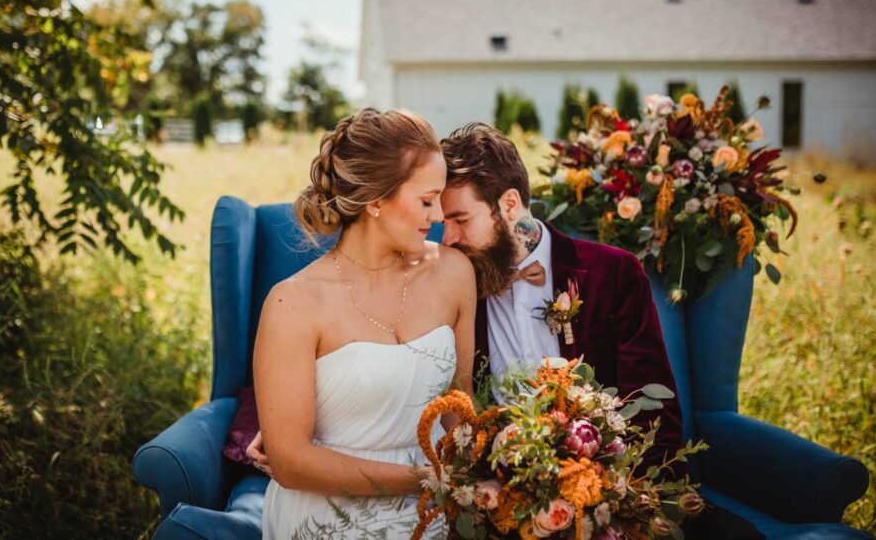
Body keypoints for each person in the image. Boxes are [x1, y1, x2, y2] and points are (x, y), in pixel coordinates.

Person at [254, 108, 476, 539]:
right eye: (426, 200)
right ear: (375, 199)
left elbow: (461, 409)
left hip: (434, 512)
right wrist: (426, 480)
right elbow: (290, 463)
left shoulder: (453, 274)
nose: (438, 218)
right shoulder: (293, 302)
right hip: (324, 514)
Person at [438, 122, 685, 468]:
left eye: (460, 220)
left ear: (510, 204)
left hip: (607, 485)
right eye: (443, 222)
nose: (447, 238)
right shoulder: (454, 285)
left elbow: (654, 414)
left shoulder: (613, 274)